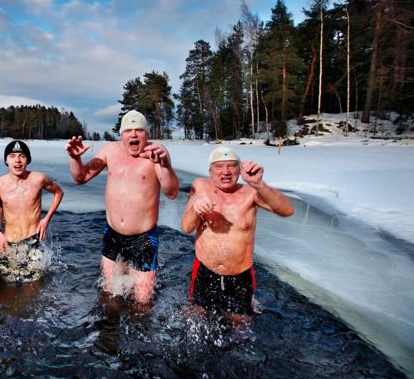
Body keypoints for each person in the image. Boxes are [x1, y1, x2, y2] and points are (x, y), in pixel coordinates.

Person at [65, 110, 179, 303]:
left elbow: (172, 192)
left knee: (143, 302)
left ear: (147, 134)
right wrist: (76, 159)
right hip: (113, 234)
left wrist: (166, 166)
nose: (133, 135)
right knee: (110, 295)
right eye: (128, 131)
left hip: (144, 239)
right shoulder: (110, 151)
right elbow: (81, 177)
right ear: (121, 135)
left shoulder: (155, 153)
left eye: (139, 130)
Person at [180, 146, 294, 315]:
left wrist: (259, 184)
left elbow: (287, 210)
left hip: (240, 276)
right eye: (219, 166)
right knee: (196, 317)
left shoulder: (251, 193)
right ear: (210, 170)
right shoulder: (201, 187)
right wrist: (195, 209)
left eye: (232, 166)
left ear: (239, 170)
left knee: (240, 329)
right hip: (205, 271)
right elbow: (186, 227)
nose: (225, 172)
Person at [0, 140, 64, 282]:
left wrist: (46, 219)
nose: (17, 161)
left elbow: (59, 193)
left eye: (22, 156)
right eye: (12, 156)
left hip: (33, 241)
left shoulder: (38, 179)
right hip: (10, 243)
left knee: (34, 286)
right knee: (8, 288)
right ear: (6, 160)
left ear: (28, 160)